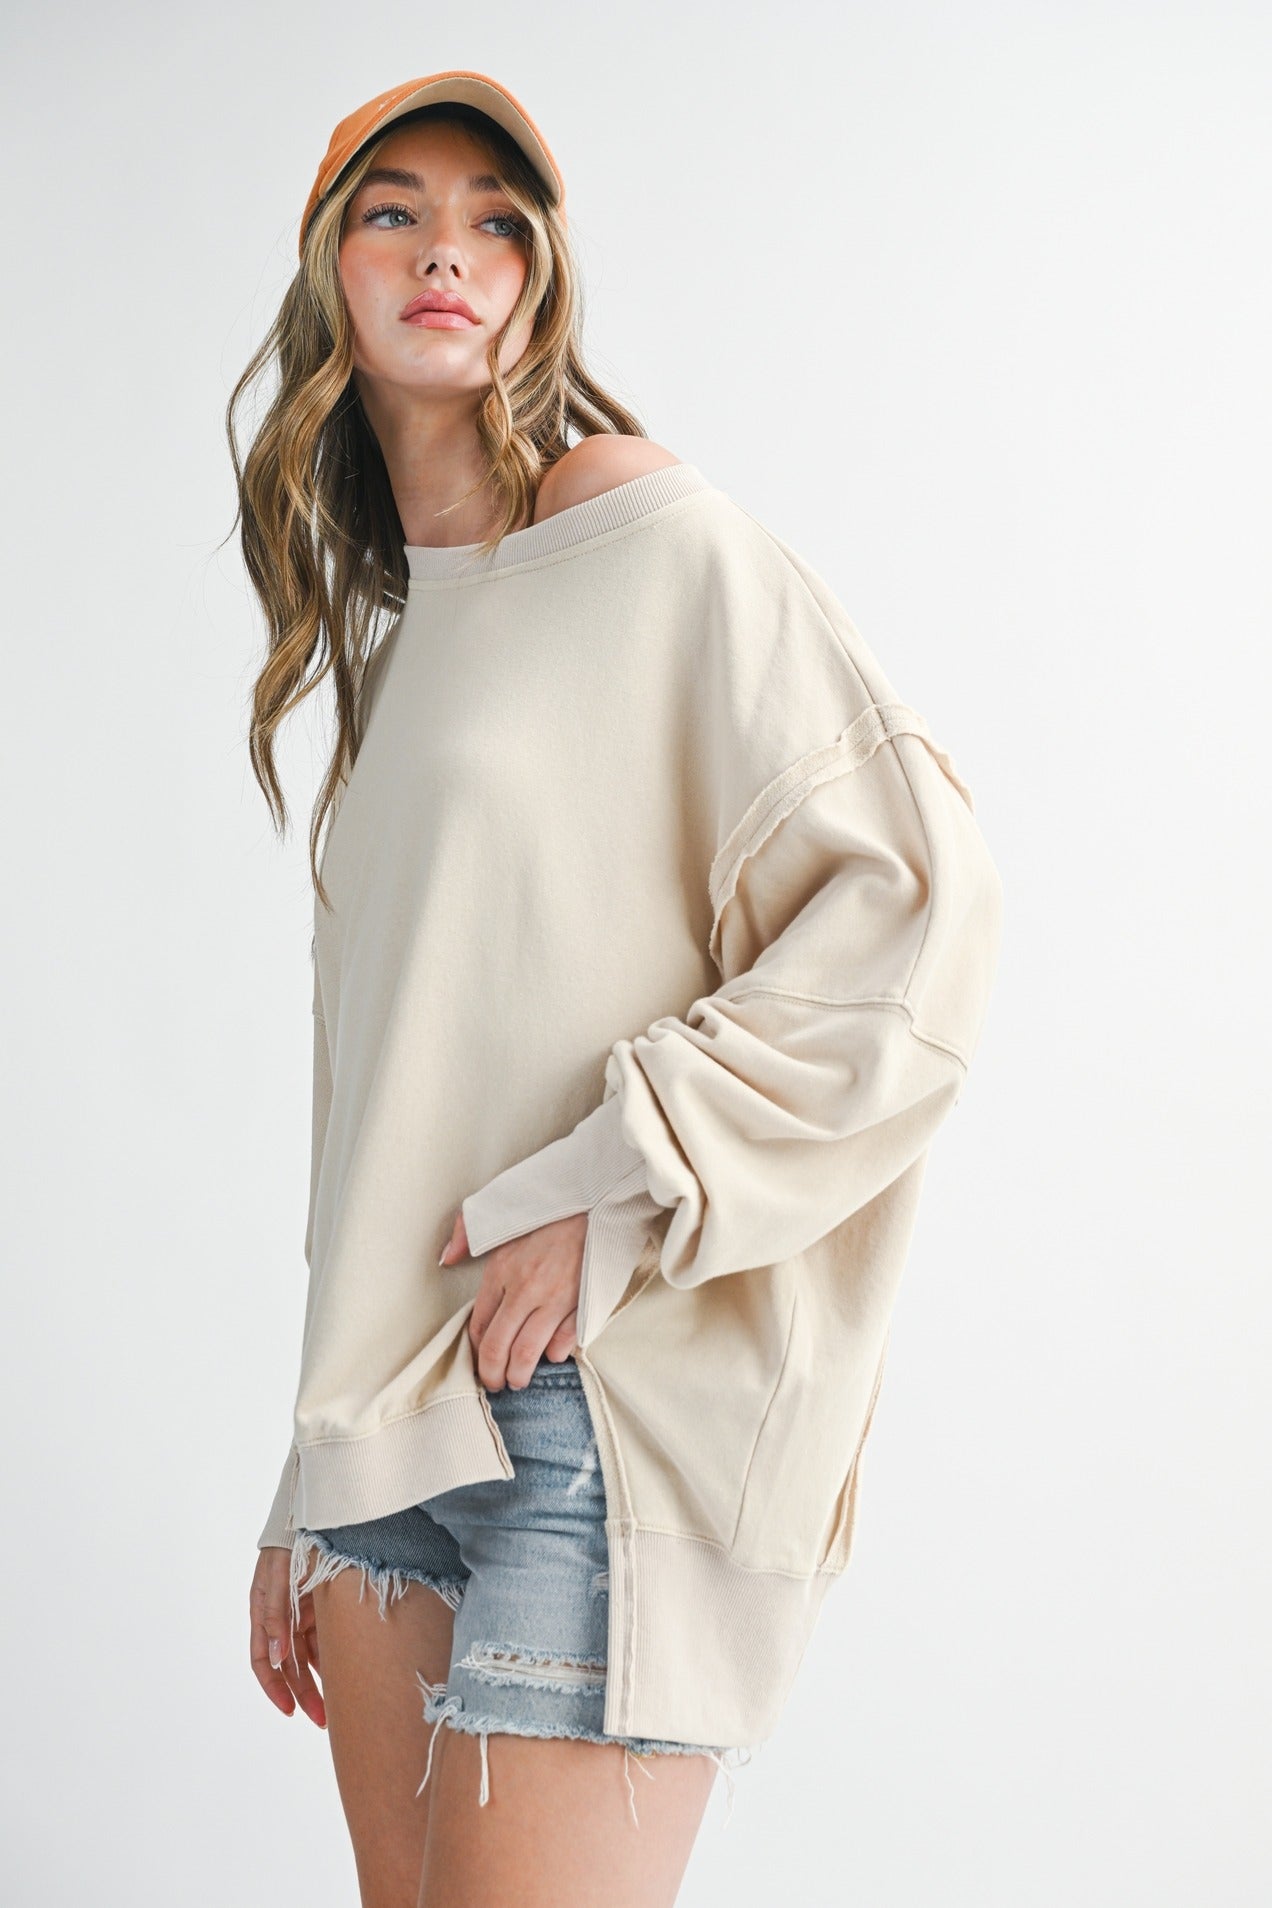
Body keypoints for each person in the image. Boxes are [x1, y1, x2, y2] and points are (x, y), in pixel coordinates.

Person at [229, 69, 1004, 1908]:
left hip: (594, 1408)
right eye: (396, 211)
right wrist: (302, 1469)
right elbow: (399, 1092)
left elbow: (916, 893)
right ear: (330, 271)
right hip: (385, 1435)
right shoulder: (404, 645)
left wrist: (622, 1185)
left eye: (496, 221)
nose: (447, 251)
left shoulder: (635, 524)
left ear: (541, 281)